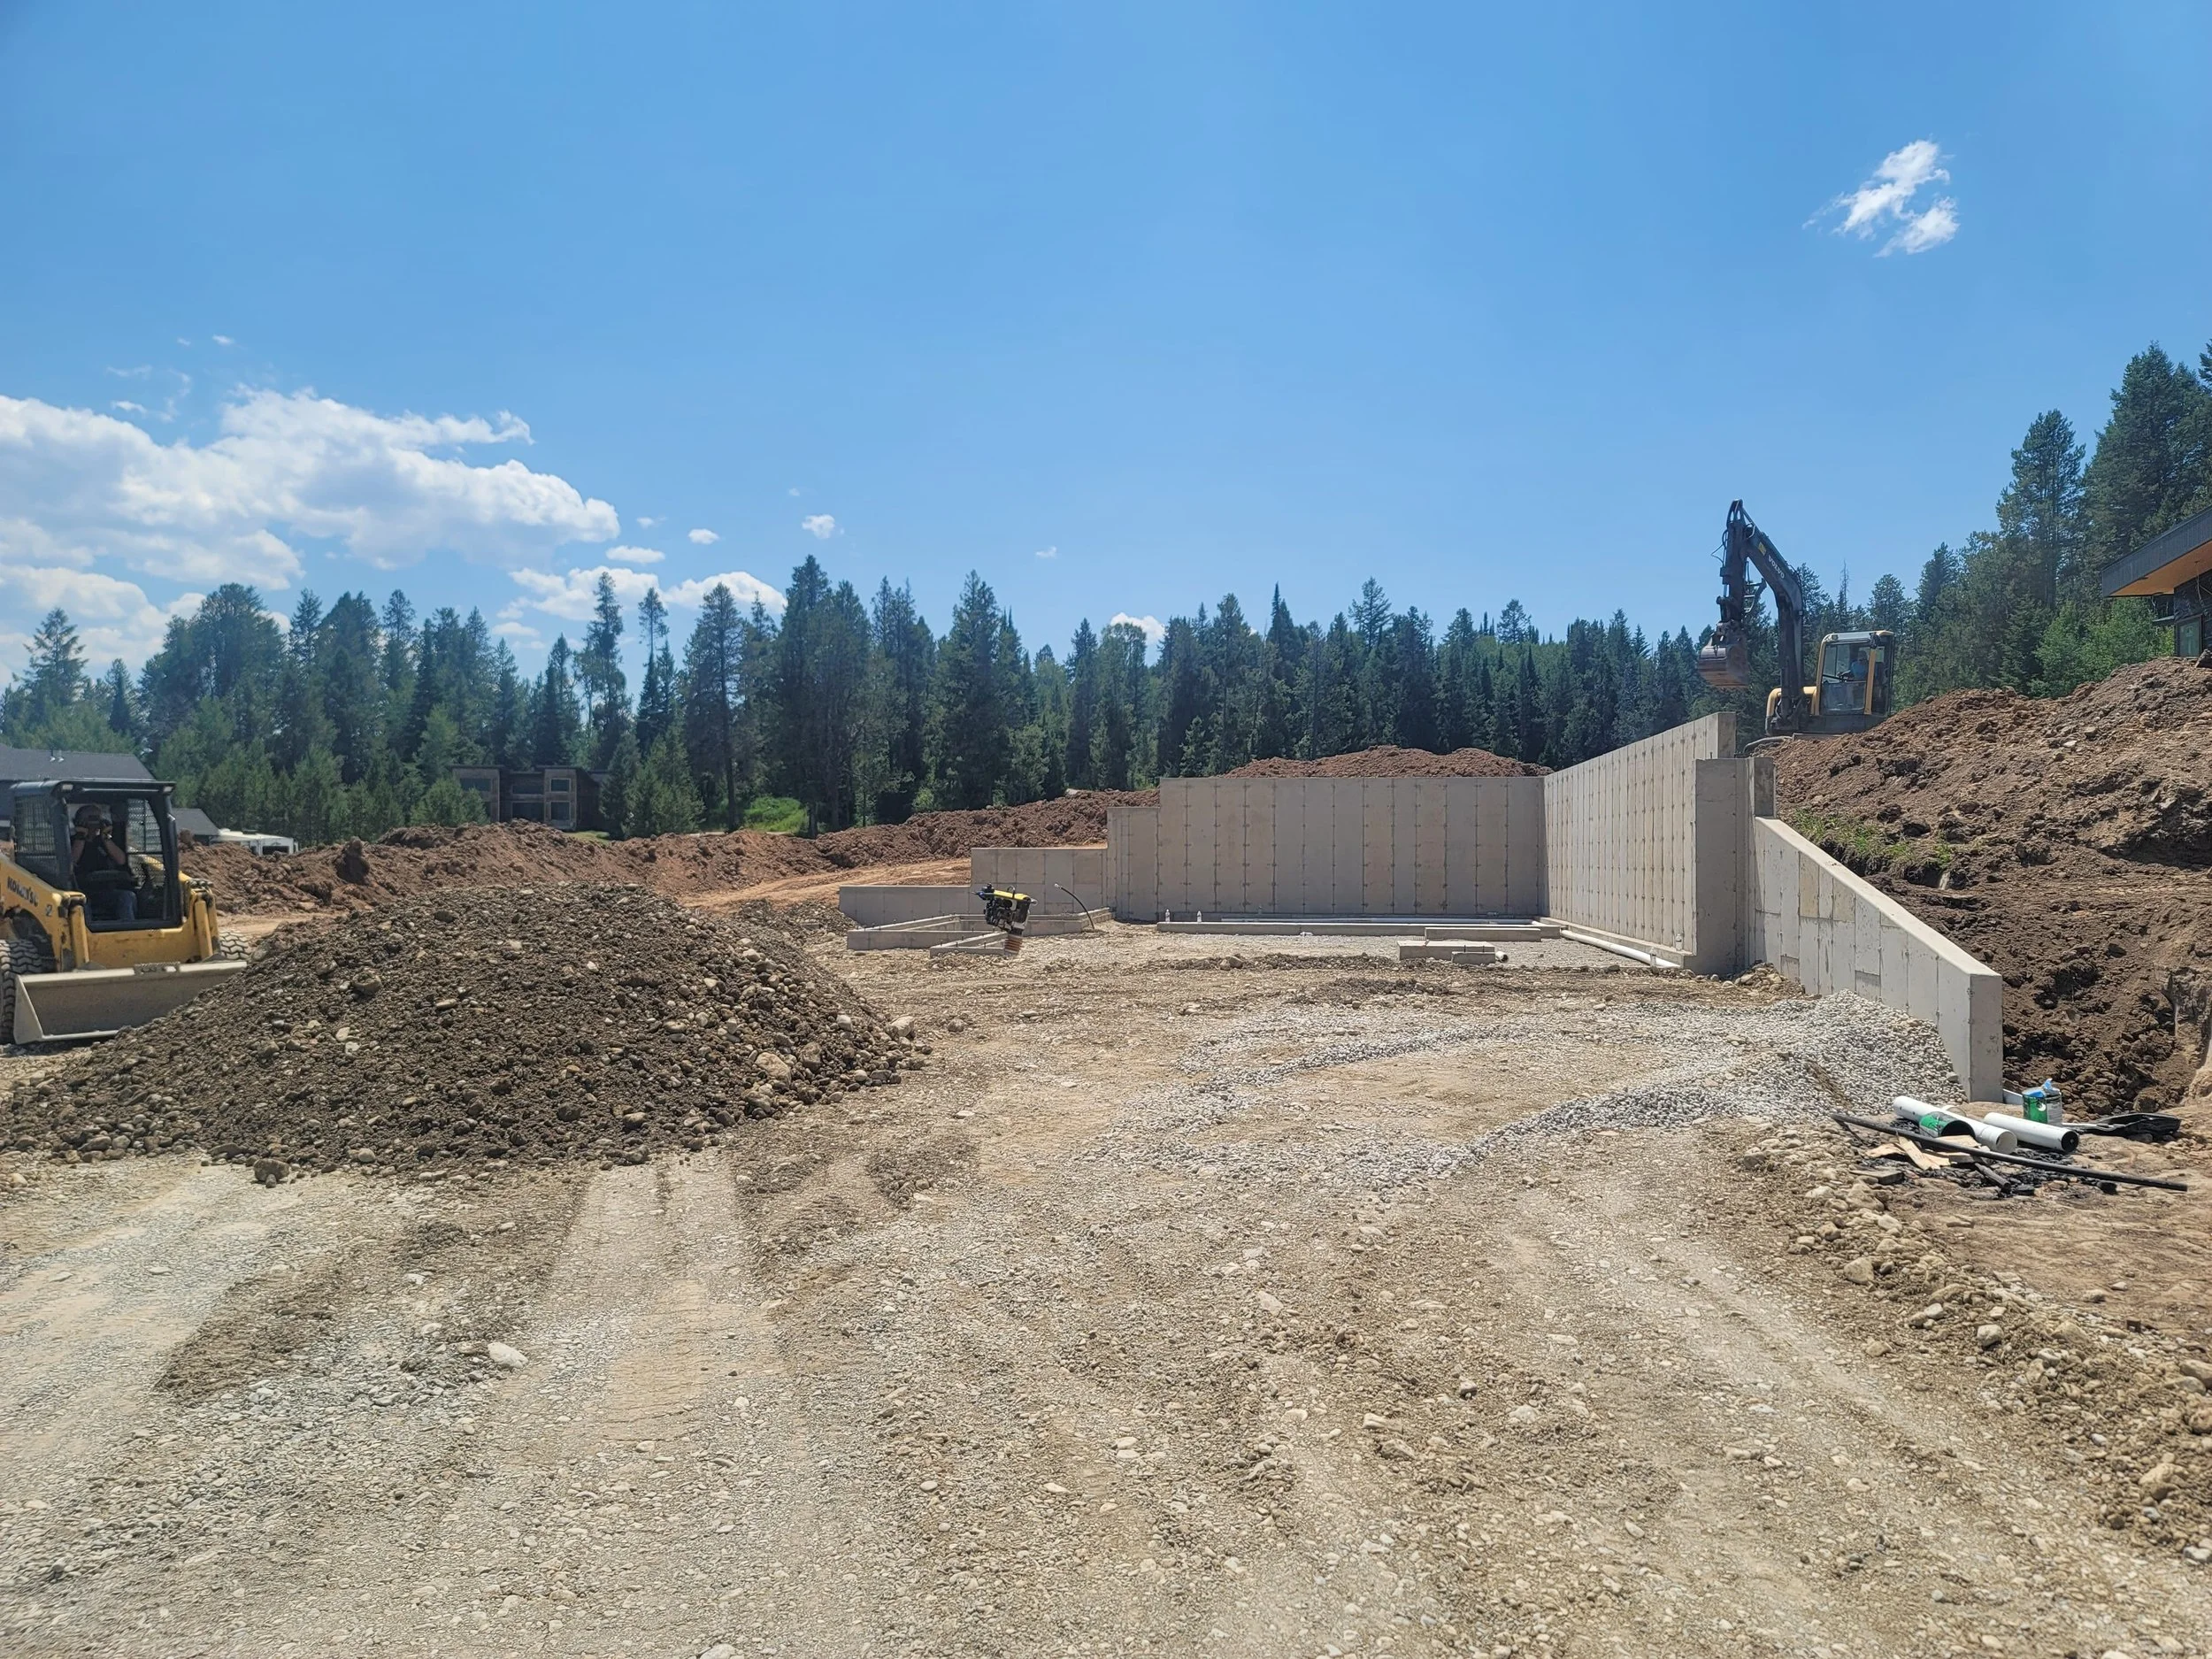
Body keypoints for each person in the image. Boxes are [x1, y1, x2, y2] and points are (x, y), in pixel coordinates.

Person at [71, 803, 137, 922]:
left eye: (97, 818)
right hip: (81, 891)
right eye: (90, 818)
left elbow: (121, 860)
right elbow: (72, 861)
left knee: (127, 897)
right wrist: (81, 836)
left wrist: (106, 837)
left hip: (105, 890)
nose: (94, 822)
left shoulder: (104, 842)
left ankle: (128, 930)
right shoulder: (71, 841)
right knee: (81, 904)